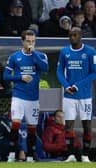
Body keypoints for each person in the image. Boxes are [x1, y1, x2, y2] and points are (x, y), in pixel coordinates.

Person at [3, 29, 49, 162]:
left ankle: (30, 156)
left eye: (33, 41)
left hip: (33, 98)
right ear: (22, 41)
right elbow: (6, 76)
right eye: (28, 41)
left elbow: (45, 69)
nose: (31, 43)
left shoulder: (40, 55)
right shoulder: (14, 57)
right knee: (15, 124)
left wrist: (33, 53)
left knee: (32, 128)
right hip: (18, 96)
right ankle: (11, 155)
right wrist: (20, 77)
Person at [56, 27, 96, 162]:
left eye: (74, 35)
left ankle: (85, 155)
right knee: (68, 125)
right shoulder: (64, 51)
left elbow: (94, 73)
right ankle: (71, 155)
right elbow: (59, 72)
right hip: (69, 96)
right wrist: (66, 86)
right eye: (70, 35)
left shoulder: (90, 52)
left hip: (85, 96)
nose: (72, 37)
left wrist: (77, 86)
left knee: (87, 126)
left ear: (80, 36)